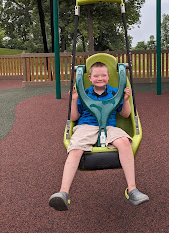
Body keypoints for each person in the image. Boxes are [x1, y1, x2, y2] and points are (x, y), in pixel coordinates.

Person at [49, 62, 149, 211]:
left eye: (103, 75)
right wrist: (75, 100)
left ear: (109, 76)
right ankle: (63, 192)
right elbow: (74, 116)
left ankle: (132, 190)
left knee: (124, 141)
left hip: (109, 127)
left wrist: (126, 99)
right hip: (86, 126)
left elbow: (125, 114)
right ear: (90, 77)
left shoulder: (116, 92)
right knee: (75, 149)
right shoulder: (84, 93)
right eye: (96, 76)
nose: (100, 78)